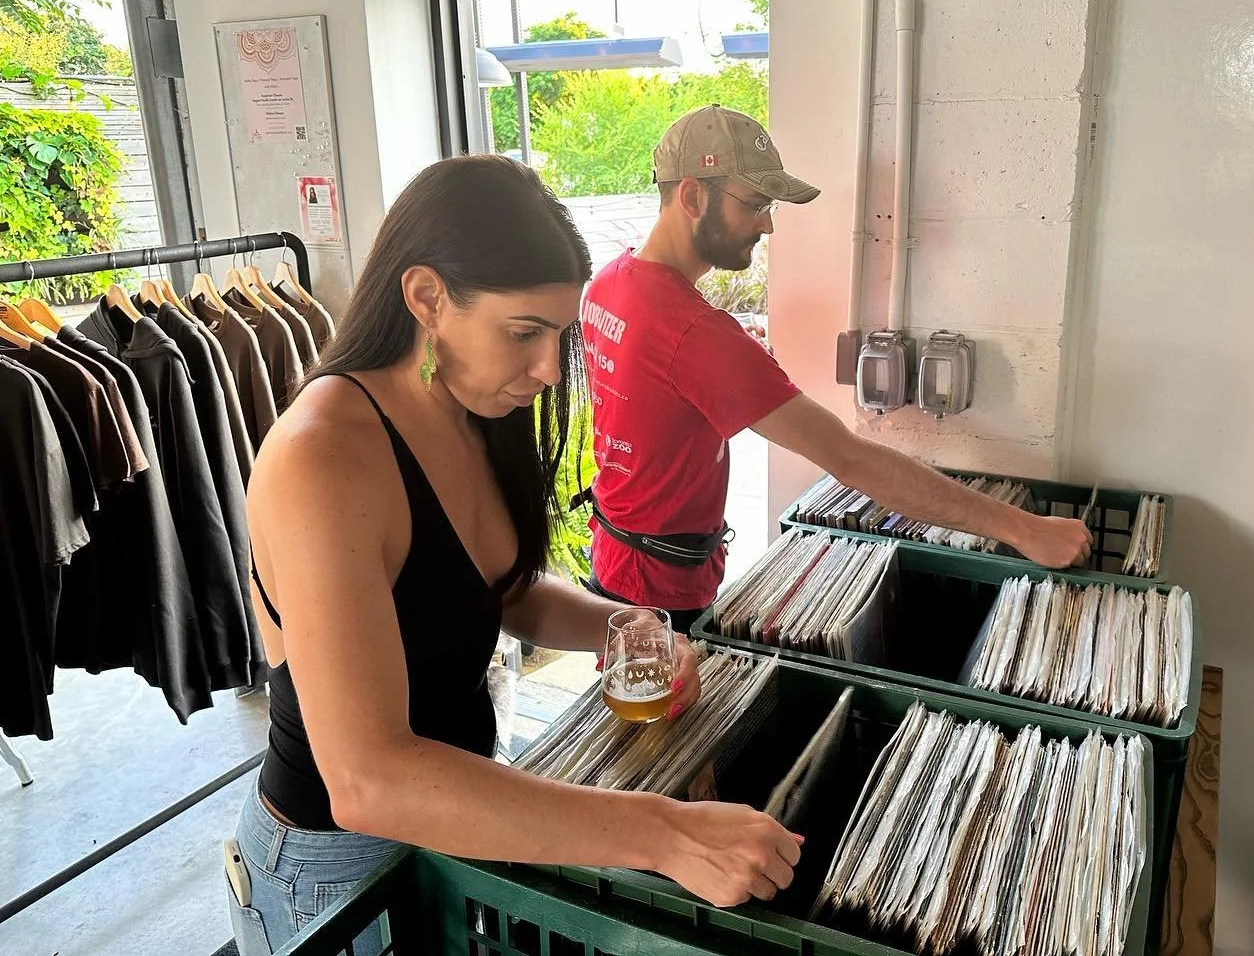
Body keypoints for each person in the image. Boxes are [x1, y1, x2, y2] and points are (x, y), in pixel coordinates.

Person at [231, 156, 802, 956]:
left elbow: (498, 588)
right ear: (427, 298)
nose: (546, 368)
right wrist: (664, 834)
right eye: (524, 332)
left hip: (458, 823)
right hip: (341, 872)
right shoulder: (323, 457)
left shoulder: (466, 402)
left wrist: (628, 625)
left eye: (559, 334)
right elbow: (368, 780)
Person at [579, 105, 1092, 631]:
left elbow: (650, 394)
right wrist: (1024, 528)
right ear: (691, 196)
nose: (768, 225)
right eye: (755, 205)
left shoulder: (609, 284)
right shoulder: (696, 333)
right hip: (661, 591)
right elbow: (852, 461)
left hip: (615, 556)